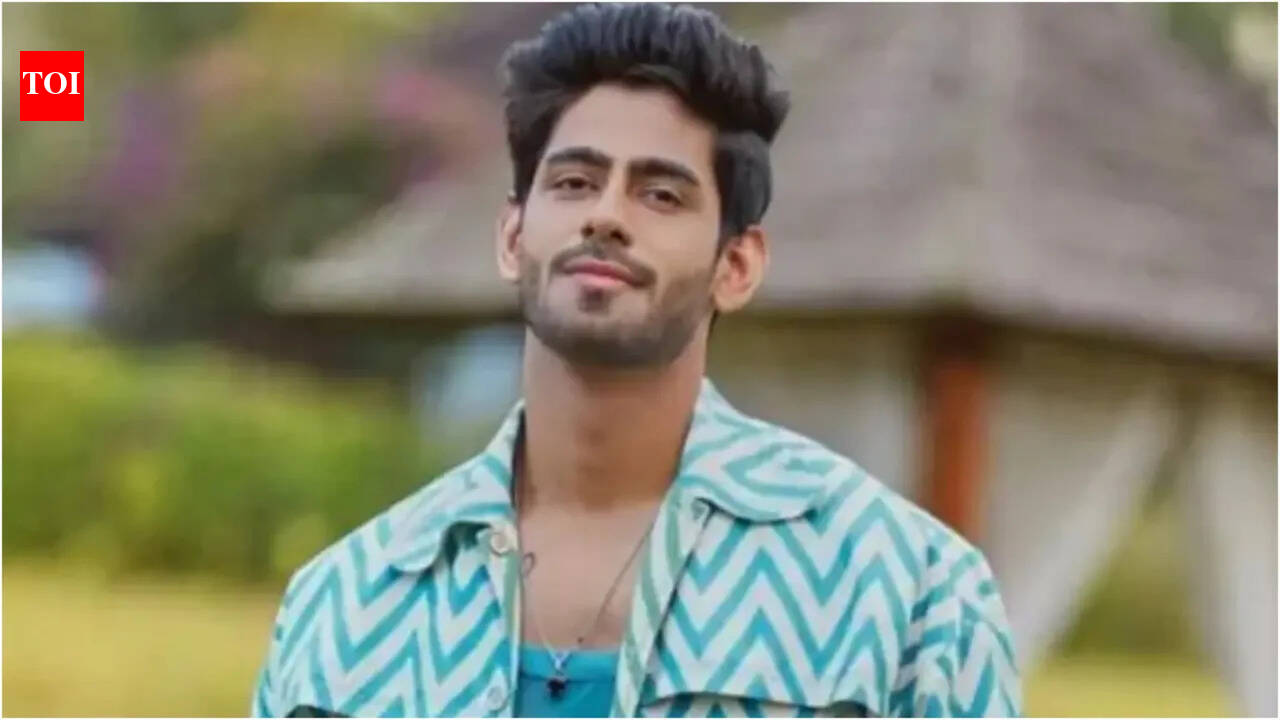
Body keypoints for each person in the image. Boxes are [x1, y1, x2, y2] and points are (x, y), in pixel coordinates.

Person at [251, 3, 1021, 717]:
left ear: (736, 266)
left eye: (661, 195)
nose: (606, 215)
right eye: (574, 182)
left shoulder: (907, 594)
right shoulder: (345, 611)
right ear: (513, 237)